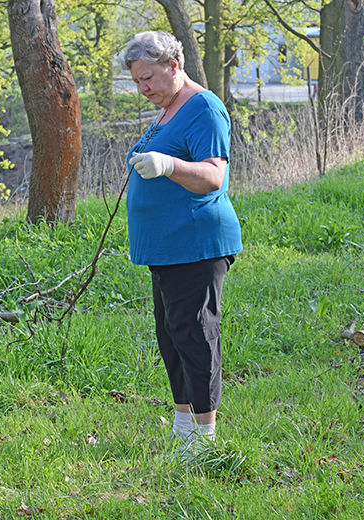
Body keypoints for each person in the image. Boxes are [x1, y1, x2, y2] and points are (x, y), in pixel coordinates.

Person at [122, 32, 242, 454]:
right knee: (170, 334)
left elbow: (213, 176)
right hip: (166, 246)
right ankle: (183, 426)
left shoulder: (204, 107)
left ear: (174, 65)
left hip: (196, 241)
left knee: (195, 333)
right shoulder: (169, 109)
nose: (144, 89)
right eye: (138, 82)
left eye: (149, 78)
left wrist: (168, 164)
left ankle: (205, 439)